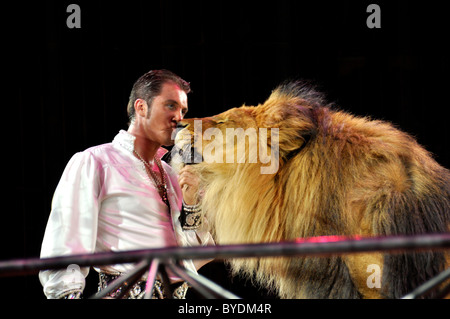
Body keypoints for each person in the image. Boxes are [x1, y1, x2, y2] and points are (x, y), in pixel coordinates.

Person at [39, 69, 214, 299]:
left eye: (183, 110)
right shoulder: (95, 161)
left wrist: (192, 206)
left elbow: (191, 261)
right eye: (170, 106)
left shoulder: (171, 174)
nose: (179, 118)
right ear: (141, 107)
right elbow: (64, 246)